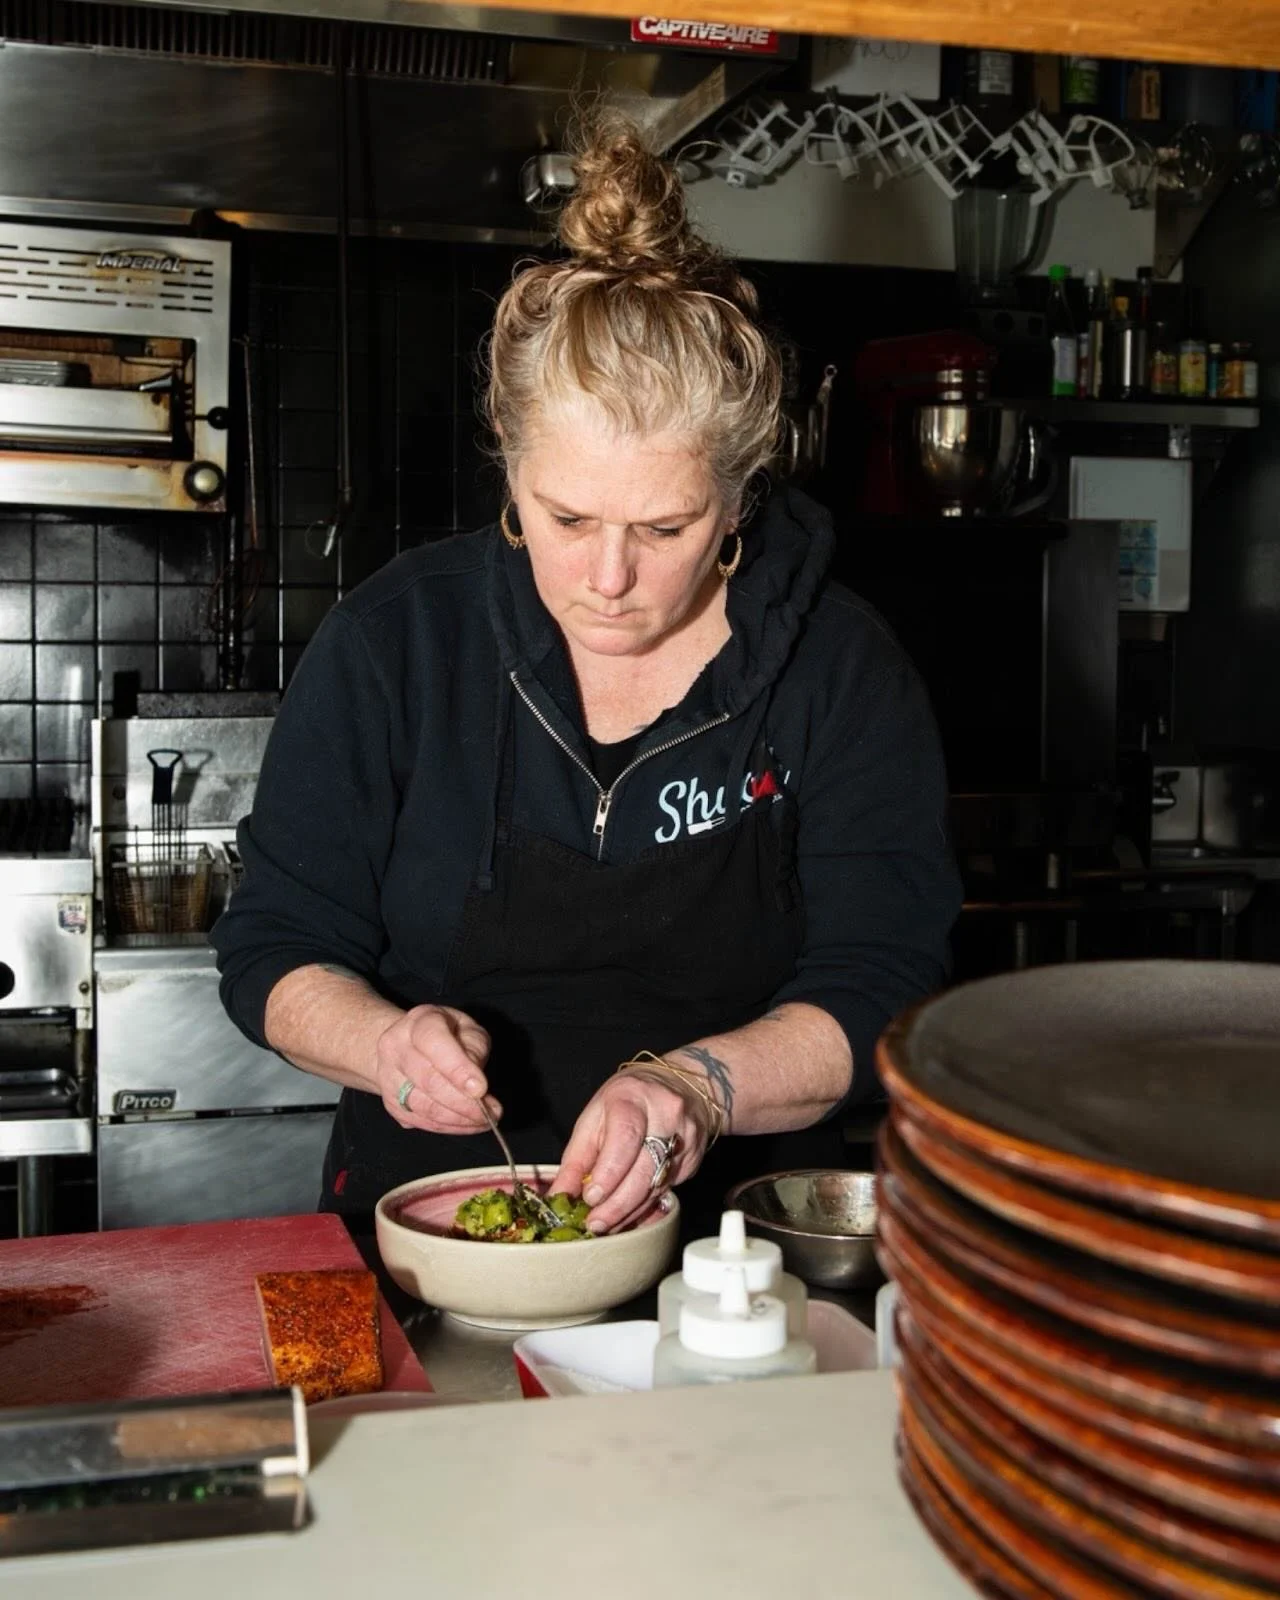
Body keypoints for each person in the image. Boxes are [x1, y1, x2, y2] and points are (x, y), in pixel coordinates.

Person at [212, 114, 962, 1238]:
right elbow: (274, 943)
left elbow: (883, 980)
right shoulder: (396, 645)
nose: (608, 578)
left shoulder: (836, 668)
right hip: (429, 1229)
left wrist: (697, 1089)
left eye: (665, 526)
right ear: (508, 464)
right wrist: (382, 1042)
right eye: (567, 517)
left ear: (740, 494)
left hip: (736, 1254)